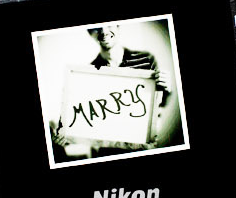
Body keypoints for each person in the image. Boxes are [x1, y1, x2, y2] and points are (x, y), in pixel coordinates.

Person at [50, 22, 171, 161]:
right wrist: (65, 135)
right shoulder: (86, 75)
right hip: (106, 154)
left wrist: (166, 88)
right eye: (96, 27)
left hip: (142, 149)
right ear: (90, 33)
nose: (103, 30)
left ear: (118, 26)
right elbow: (85, 119)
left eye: (109, 24)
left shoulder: (146, 60)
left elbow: (160, 104)